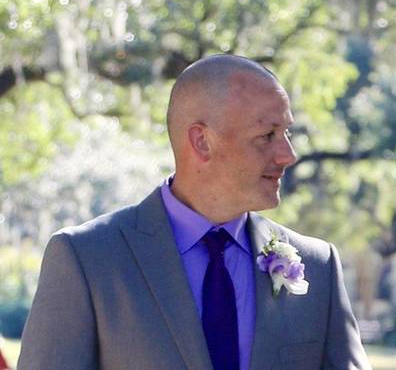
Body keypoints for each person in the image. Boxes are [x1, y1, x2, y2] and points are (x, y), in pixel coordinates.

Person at [19, 54, 371, 370]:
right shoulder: (87, 259)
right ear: (202, 141)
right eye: (267, 135)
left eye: (287, 132)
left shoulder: (318, 266)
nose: (287, 154)